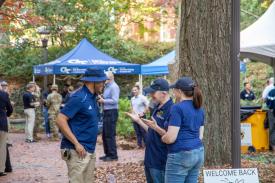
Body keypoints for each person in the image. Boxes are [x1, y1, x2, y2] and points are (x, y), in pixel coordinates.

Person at [56, 68, 108, 183]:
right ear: (92, 82)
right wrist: (76, 144)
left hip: (89, 149)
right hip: (77, 150)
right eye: (101, 82)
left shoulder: (93, 97)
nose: (103, 85)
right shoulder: (79, 97)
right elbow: (60, 119)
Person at [157, 77, 205, 183]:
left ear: (179, 91)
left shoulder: (177, 108)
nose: (173, 91)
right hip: (198, 152)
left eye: (174, 89)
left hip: (181, 154)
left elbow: (170, 138)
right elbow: (200, 136)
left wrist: (163, 138)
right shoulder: (200, 109)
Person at [126, 78, 173, 183]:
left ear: (164, 93)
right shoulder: (156, 107)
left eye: (153, 92)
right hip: (149, 159)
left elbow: (170, 137)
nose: (151, 94)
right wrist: (138, 121)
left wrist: (156, 127)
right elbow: (152, 130)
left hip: (160, 161)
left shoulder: (172, 110)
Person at [98, 71, 120, 162]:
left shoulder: (114, 87)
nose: (104, 80)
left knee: (110, 134)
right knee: (105, 134)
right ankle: (107, 154)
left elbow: (115, 101)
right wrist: (102, 96)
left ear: (110, 78)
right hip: (107, 112)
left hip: (112, 112)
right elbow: (108, 98)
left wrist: (103, 101)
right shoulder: (107, 86)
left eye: (105, 78)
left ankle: (113, 155)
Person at [0, 84, 13, 176]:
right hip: (1, 123)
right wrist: (6, 115)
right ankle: (0, 169)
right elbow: (10, 109)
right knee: (2, 147)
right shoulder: (4, 94)